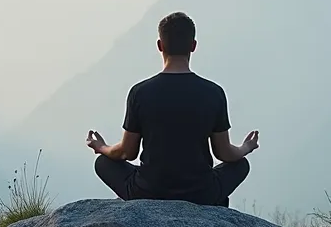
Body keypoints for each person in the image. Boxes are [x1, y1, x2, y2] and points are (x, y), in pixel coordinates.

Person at [86, 11, 259, 207]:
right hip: (201, 193)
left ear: (160, 46)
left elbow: (127, 152)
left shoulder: (140, 92)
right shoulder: (213, 93)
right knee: (241, 165)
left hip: (148, 192)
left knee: (103, 163)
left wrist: (101, 147)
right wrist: (246, 147)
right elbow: (224, 154)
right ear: (193, 46)